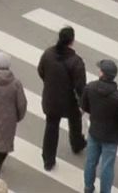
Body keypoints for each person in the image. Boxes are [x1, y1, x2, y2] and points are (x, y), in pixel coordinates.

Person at [37, 26, 86, 171]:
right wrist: (83, 102)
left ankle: (48, 159)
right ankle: (77, 144)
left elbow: (41, 71)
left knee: (51, 126)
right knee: (75, 120)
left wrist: (50, 83)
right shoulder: (76, 61)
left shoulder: (48, 54)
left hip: (51, 97)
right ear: (72, 40)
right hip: (69, 100)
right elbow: (80, 85)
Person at [79, 58, 118, 193]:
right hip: (112, 137)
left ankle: (88, 187)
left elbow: (84, 107)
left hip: (95, 131)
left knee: (90, 162)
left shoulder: (90, 87)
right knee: (107, 167)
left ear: (102, 74)